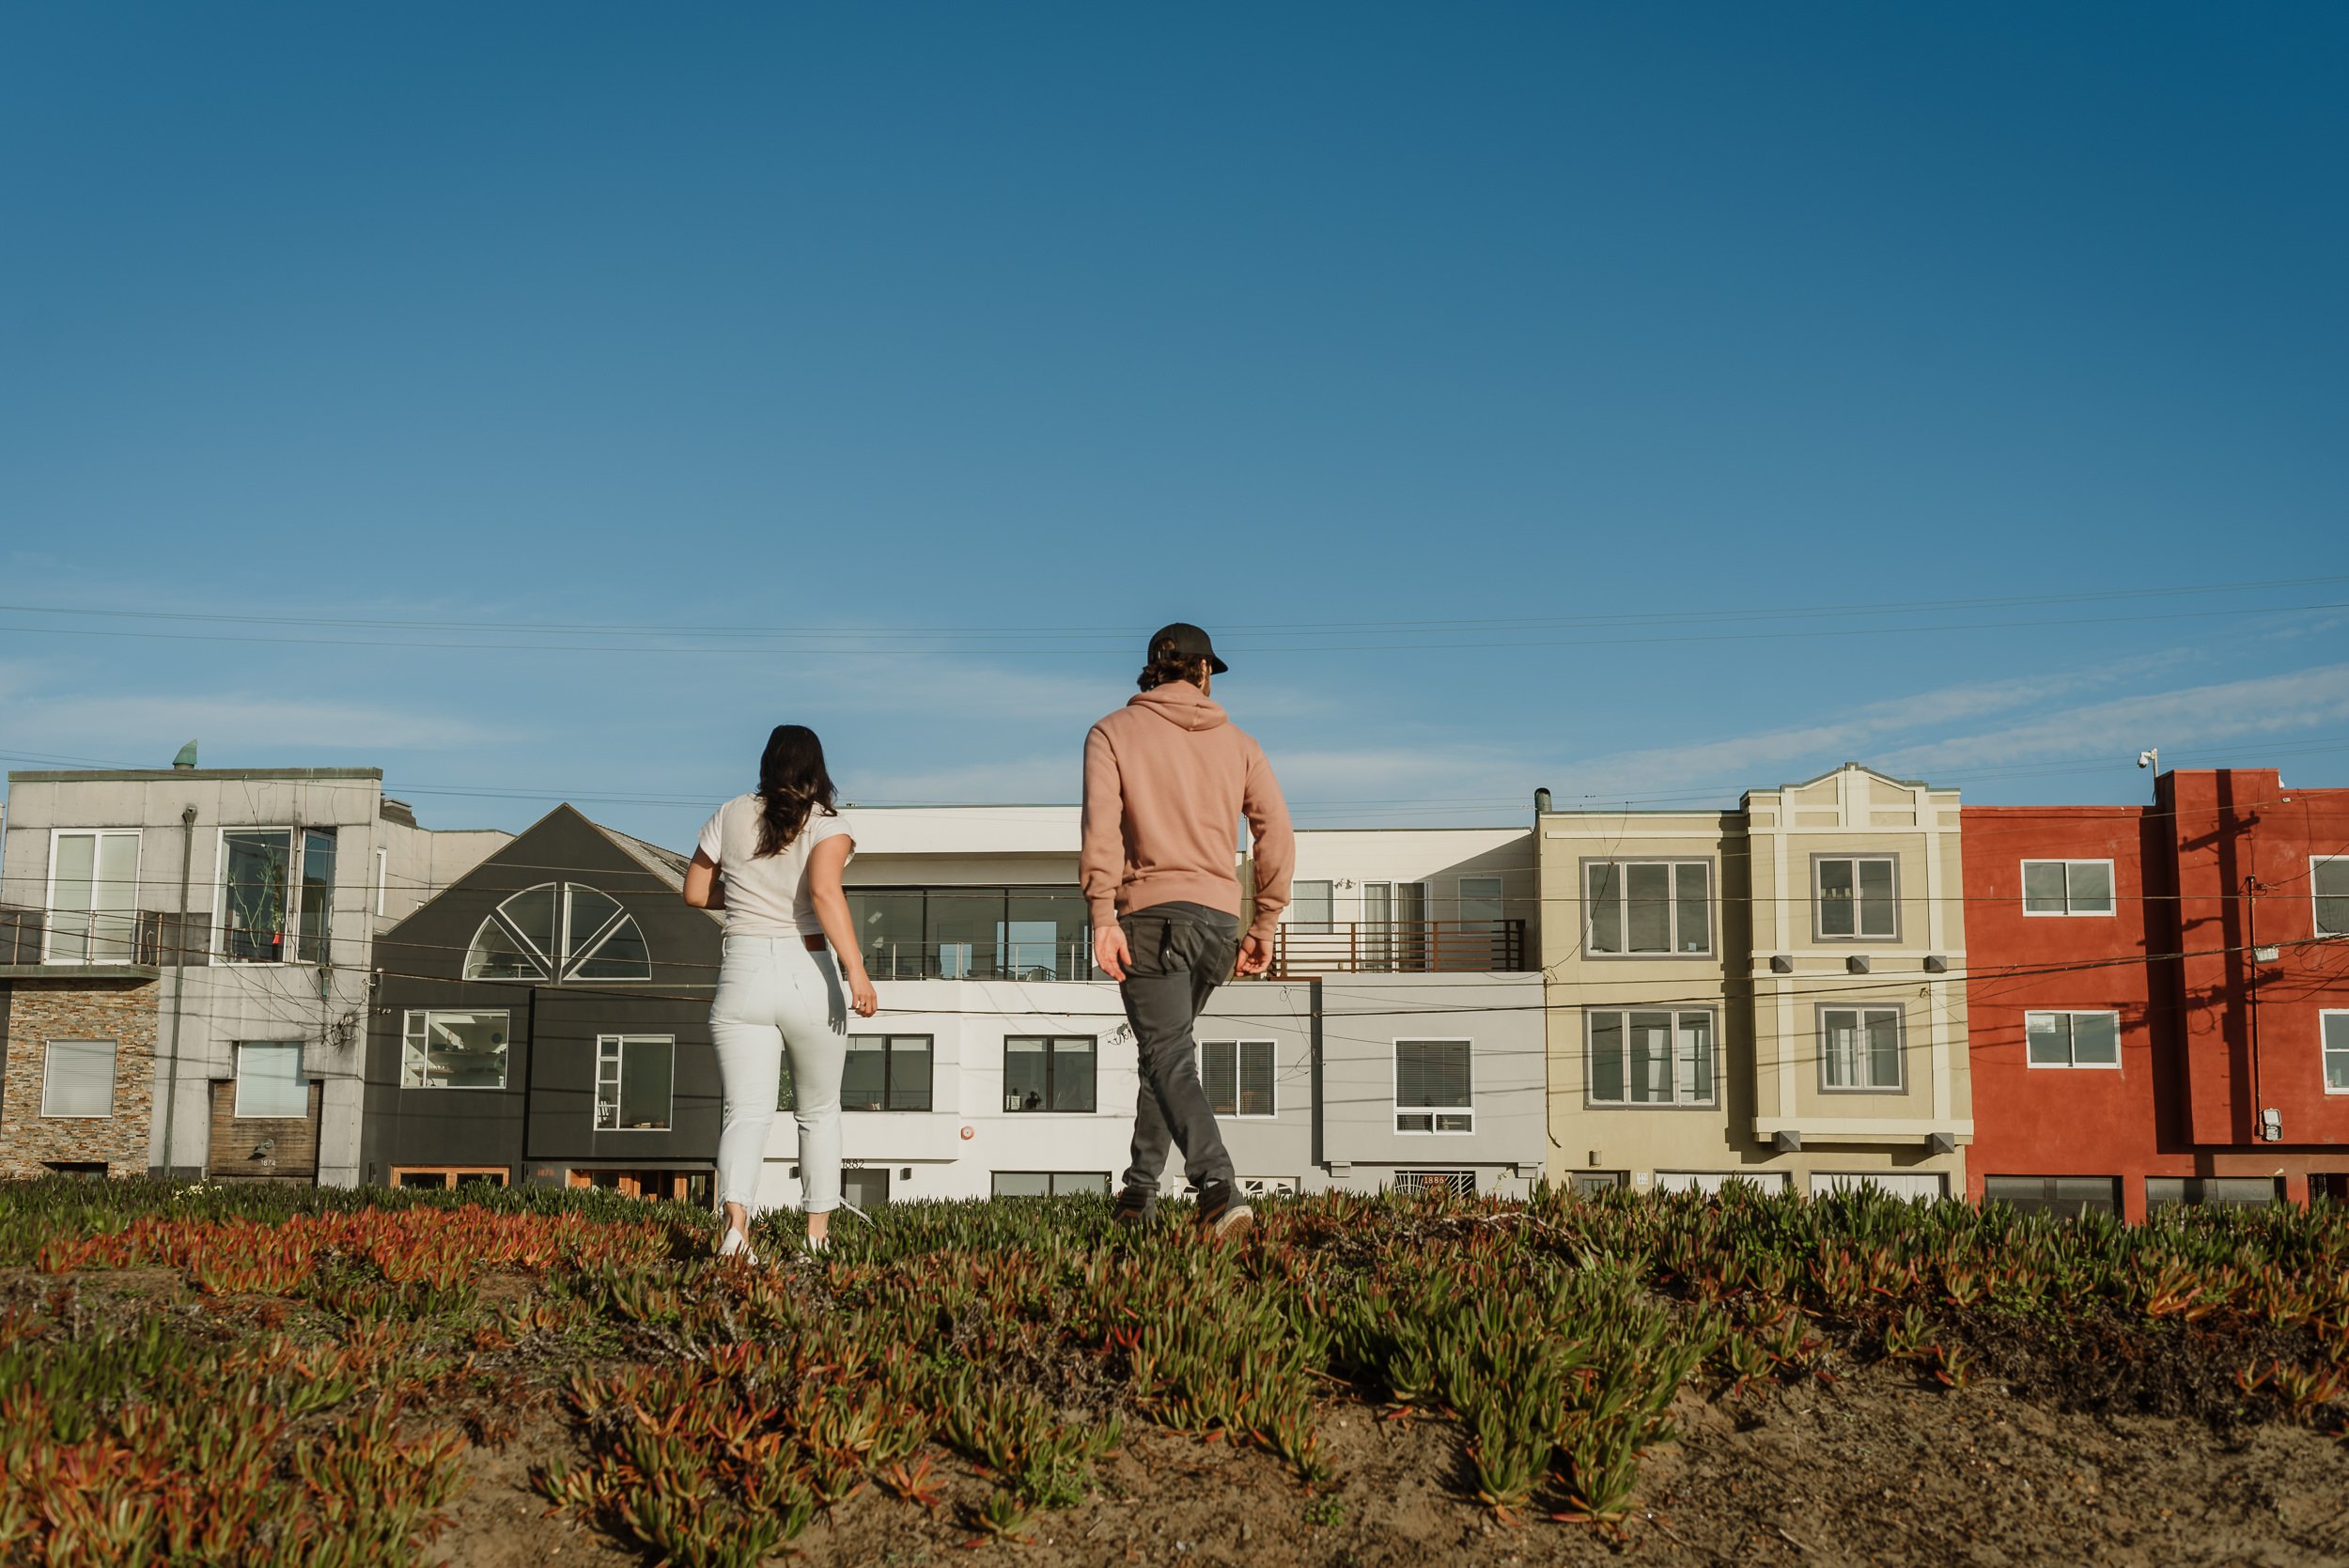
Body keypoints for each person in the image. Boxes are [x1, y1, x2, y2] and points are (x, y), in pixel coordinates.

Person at [1082, 622, 1294, 1234]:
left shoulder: (1112, 732)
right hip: (1217, 925)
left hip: (1152, 916)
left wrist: (1102, 913)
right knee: (1165, 1051)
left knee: (1168, 1053)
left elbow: (1101, 828)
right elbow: (1274, 832)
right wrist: (1266, 919)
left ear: (1153, 670)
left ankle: (1217, 1186)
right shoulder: (1242, 743)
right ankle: (1138, 1193)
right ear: (1203, 672)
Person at [684, 724, 879, 1262]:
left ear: (767, 763)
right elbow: (822, 890)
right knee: (818, 1112)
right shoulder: (828, 824)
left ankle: (735, 1231)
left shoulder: (728, 813)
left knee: (746, 1113)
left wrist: (744, 891)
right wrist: (856, 971)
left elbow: (696, 892)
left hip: (741, 970)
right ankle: (815, 1240)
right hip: (807, 969)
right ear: (818, 769)